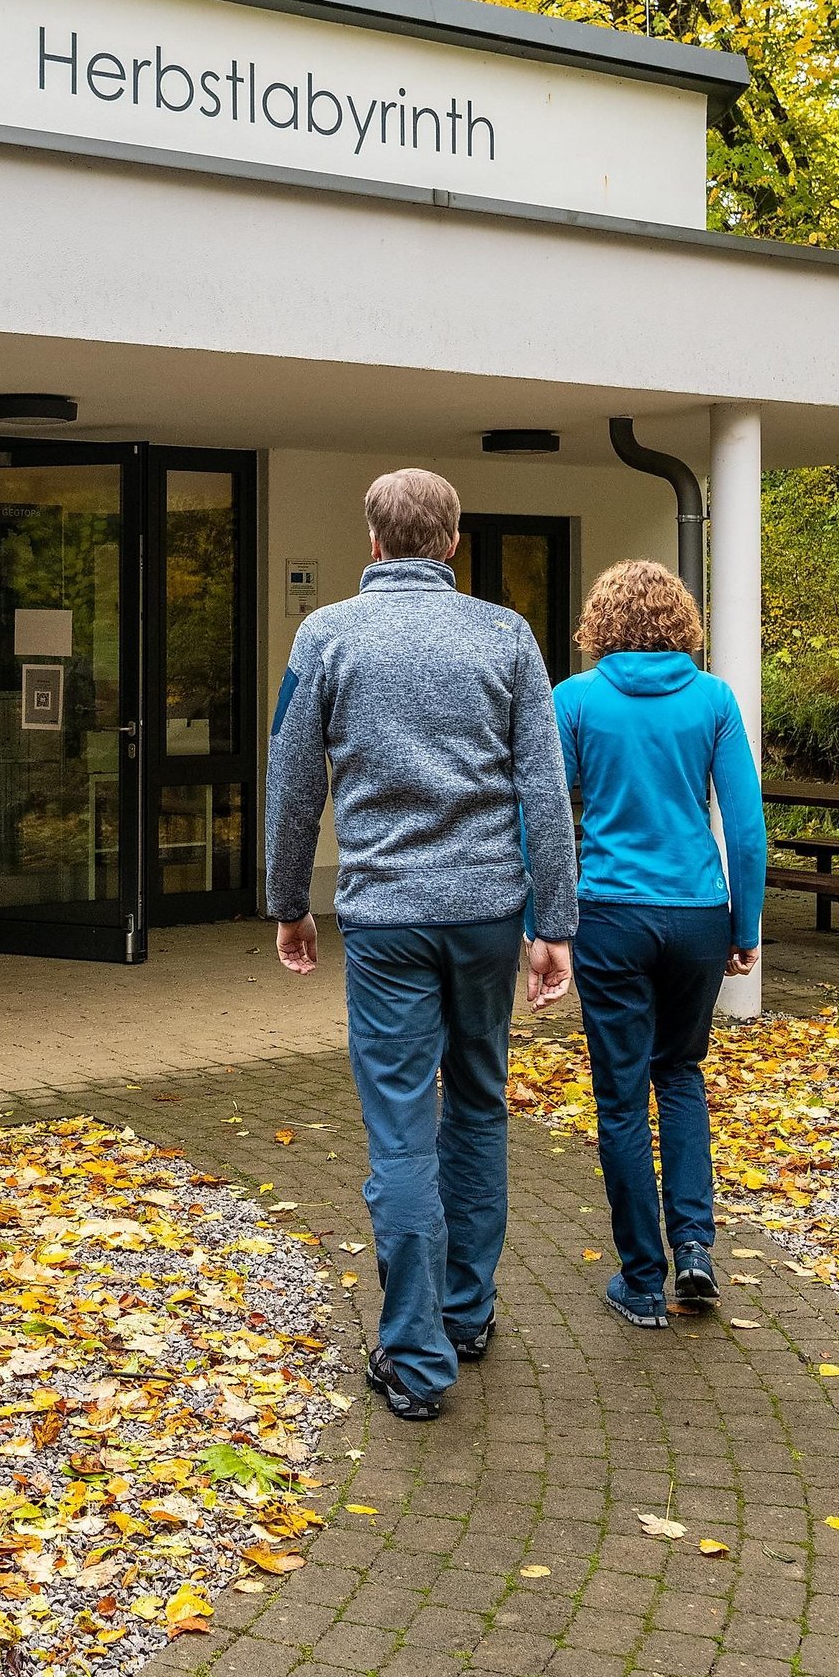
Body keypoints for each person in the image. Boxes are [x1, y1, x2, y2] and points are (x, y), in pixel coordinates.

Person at [266, 468, 579, 1422]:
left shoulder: (326, 636)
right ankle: (466, 1312)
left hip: (387, 919)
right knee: (479, 1104)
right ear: (452, 543)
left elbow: (290, 779)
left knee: (402, 1124)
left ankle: (415, 1357)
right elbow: (544, 789)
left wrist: (289, 901)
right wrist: (552, 922)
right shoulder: (505, 635)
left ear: (373, 542)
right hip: (487, 912)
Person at [553, 559, 765, 1330]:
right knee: (679, 1074)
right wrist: (745, 926)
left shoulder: (574, 699)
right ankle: (697, 1251)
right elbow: (744, 823)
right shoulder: (713, 700)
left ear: (599, 624)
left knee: (619, 1100)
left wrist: (542, 925)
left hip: (610, 914)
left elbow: (543, 817)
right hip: (699, 914)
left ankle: (642, 1280)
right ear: (682, 621)